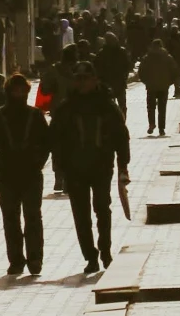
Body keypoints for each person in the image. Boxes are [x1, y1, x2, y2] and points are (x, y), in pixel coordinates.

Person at [50, 57, 131, 274]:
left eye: (86, 78)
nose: (82, 82)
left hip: (101, 166)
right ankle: (90, 256)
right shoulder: (66, 108)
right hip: (74, 170)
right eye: (78, 78)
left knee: (102, 209)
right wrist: (59, 166)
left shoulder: (106, 106)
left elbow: (121, 137)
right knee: (81, 214)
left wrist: (123, 166)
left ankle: (105, 249)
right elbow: (55, 138)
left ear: (95, 80)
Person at [0, 72, 52, 276]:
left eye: (23, 90)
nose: (19, 93)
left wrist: (39, 162)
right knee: (10, 219)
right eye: (15, 90)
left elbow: (47, 143)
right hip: (7, 175)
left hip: (31, 173)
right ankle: (16, 260)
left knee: (32, 217)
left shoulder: (35, 115)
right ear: (8, 92)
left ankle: (35, 259)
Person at [136, 36, 177, 135]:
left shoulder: (147, 58)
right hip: (163, 86)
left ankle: (151, 124)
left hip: (151, 87)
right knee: (162, 108)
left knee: (150, 107)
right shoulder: (168, 57)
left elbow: (141, 72)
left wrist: (146, 81)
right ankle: (161, 128)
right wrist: (169, 82)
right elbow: (174, 71)